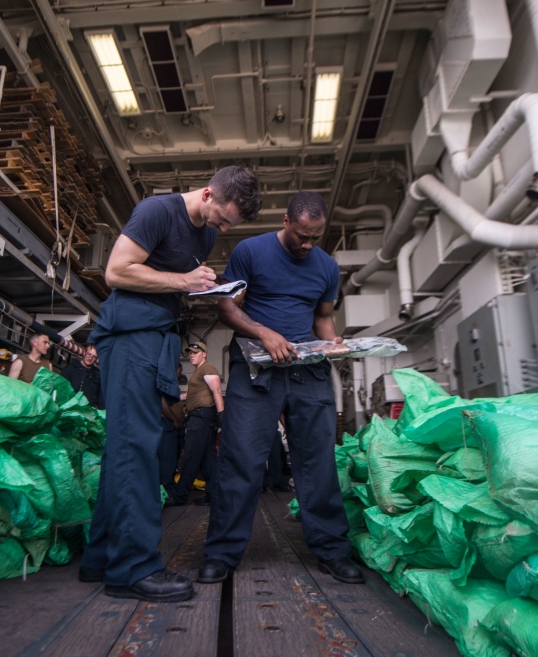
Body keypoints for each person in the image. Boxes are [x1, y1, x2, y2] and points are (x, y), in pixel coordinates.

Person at [77, 165, 261, 603]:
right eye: (222, 217)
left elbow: (173, 282)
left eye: (231, 225)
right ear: (207, 191)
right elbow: (117, 272)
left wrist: (205, 288)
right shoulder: (156, 211)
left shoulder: (206, 234)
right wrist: (183, 281)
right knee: (137, 447)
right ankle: (132, 569)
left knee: (124, 445)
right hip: (129, 336)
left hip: (158, 336)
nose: (223, 227)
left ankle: (102, 557)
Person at [198, 191, 364, 586]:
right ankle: (221, 553)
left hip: (308, 371)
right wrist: (263, 333)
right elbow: (227, 307)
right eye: (301, 236)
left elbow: (323, 318)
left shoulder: (326, 267)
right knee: (241, 460)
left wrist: (335, 343)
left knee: (318, 462)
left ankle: (331, 551)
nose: (307, 245)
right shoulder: (250, 251)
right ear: (286, 221)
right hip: (257, 370)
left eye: (315, 238)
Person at [164, 340, 223, 507]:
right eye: (190, 353)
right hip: (202, 418)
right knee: (208, 460)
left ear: (204, 354)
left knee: (190, 456)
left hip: (201, 418)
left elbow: (217, 391)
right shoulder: (198, 372)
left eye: (195, 353)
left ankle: (180, 495)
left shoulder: (207, 368)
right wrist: (168, 395)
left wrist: (222, 415)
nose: (191, 356)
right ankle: (214, 494)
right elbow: (189, 396)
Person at [60, 344, 104, 409]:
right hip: (69, 408)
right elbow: (60, 387)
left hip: (88, 412)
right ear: (85, 352)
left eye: (94, 357)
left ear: (96, 359)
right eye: (89, 354)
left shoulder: (98, 374)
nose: (90, 358)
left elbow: (101, 398)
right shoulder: (70, 368)